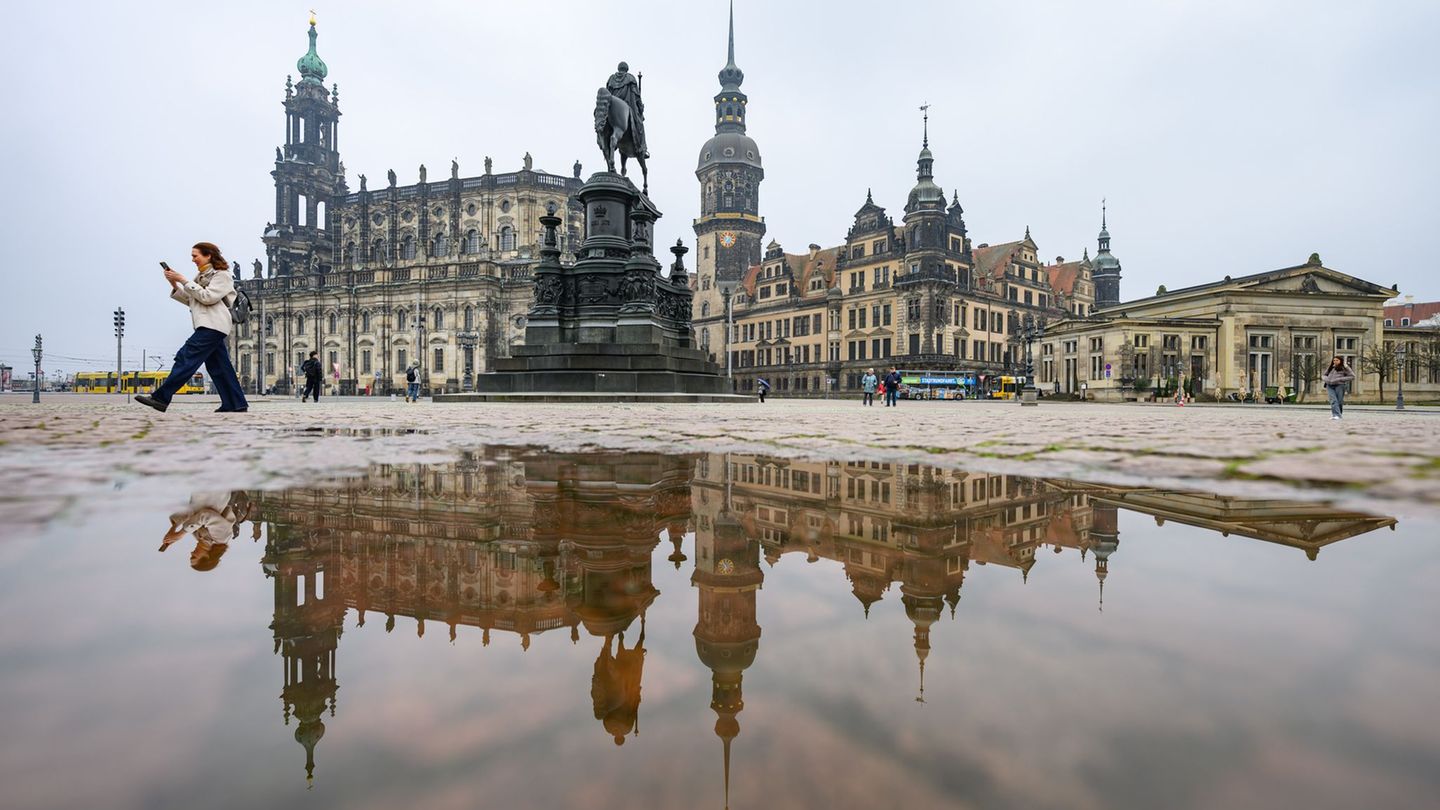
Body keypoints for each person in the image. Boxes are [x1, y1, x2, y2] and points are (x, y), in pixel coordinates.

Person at [136, 242, 248, 413]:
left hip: (213, 325)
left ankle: (161, 397)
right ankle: (235, 404)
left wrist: (183, 279)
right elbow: (191, 299)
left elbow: (208, 297)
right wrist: (174, 284)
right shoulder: (200, 277)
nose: (193, 259)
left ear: (208, 255)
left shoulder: (222, 275)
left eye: (195, 255)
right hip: (207, 325)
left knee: (186, 357)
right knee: (219, 367)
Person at [1321, 355, 1355, 420]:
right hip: (1329, 385)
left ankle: (1338, 415)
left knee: (1339, 401)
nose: (1335, 361)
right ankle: (1335, 415)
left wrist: (1340, 379)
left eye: (1337, 360)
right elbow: (1324, 375)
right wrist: (1326, 379)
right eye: (1334, 360)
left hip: (1339, 385)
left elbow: (1352, 376)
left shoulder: (1345, 368)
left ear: (1340, 361)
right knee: (1333, 400)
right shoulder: (1331, 367)